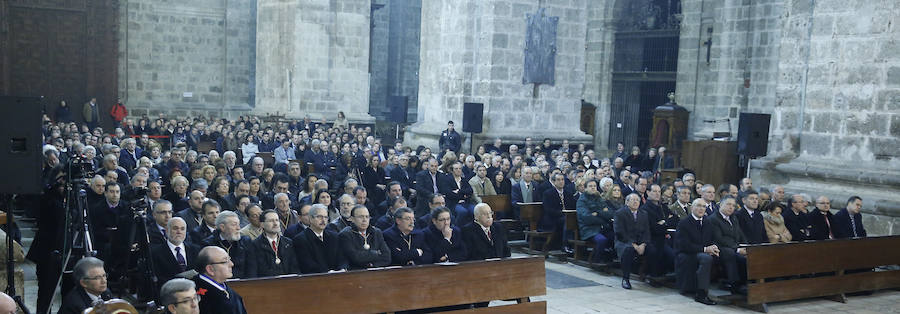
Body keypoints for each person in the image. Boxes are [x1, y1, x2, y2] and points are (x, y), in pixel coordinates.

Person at [673, 198, 718, 305]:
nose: (701, 209)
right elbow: (684, 245)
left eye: (703, 206)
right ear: (692, 208)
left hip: (700, 252)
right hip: (686, 253)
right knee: (706, 258)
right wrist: (705, 249)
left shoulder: (707, 222)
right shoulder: (684, 223)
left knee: (723, 255)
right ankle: (701, 294)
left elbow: (711, 238)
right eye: (698, 206)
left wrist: (714, 247)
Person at [613, 193, 656, 289]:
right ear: (627, 202)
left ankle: (649, 276)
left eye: (637, 200)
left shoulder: (643, 214)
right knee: (628, 250)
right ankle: (625, 278)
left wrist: (643, 244)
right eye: (633, 200)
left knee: (652, 250)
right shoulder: (620, 213)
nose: (636, 202)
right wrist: (633, 245)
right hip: (624, 241)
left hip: (640, 242)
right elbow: (620, 232)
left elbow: (646, 232)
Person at [707, 196, 748, 294]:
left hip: (734, 246)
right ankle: (735, 284)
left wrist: (746, 246)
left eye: (733, 205)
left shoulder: (733, 218)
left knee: (747, 256)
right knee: (731, 254)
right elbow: (720, 239)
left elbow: (740, 233)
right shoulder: (713, 219)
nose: (731, 207)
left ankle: (748, 282)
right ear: (721, 205)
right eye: (728, 204)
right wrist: (737, 249)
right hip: (719, 248)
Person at [202, 210, 257, 279]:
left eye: (238, 224)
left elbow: (252, 268)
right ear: (222, 227)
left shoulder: (245, 241)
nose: (238, 228)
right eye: (234, 225)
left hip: (243, 283)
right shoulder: (208, 244)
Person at [292, 204, 347, 273]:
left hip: (337, 277)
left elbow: (342, 258)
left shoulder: (334, 236)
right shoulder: (300, 239)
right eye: (319, 217)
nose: (323, 220)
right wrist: (328, 272)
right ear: (311, 218)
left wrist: (342, 269)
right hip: (315, 279)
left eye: (325, 217)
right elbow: (307, 265)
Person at [151, 217, 201, 291]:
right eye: (175, 228)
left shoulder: (196, 250)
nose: (179, 231)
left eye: (182, 229)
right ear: (167, 230)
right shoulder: (155, 252)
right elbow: (157, 279)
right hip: (170, 293)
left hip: (194, 291)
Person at [194, 246, 247, 314]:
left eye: (229, 259)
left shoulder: (225, 289)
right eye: (225, 261)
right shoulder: (200, 297)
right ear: (210, 269)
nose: (232, 264)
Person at [338, 205, 391, 269]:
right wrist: (375, 253)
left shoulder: (377, 232)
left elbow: (387, 257)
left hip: (376, 271)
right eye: (361, 217)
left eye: (367, 217)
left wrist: (372, 265)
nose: (364, 220)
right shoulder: (345, 234)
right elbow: (355, 258)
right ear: (352, 219)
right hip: (356, 273)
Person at [641, 184, 676, 278]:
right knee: (667, 253)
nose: (657, 194)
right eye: (654, 191)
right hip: (653, 239)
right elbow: (654, 228)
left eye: (659, 192)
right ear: (648, 192)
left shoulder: (662, 207)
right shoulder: (645, 209)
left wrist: (664, 222)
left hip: (665, 237)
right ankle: (655, 275)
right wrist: (667, 222)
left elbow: (675, 219)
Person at [576, 179, 615, 263]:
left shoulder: (599, 198)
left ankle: (611, 259)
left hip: (602, 228)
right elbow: (587, 218)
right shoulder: (581, 200)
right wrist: (603, 216)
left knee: (616, 237)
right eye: (590, 186)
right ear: (585, 188)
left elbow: (610, 213)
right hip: (589, 229)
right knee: (602, 240)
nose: (593, 188)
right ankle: (596, 260)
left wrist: (597, 213)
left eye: (594, 186)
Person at [253, 210, 299, 276]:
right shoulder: (255, 245)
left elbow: (295, 268)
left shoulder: (288, 243)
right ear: (262, 224)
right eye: (271, 221)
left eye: (277, 220)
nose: (275, 223)